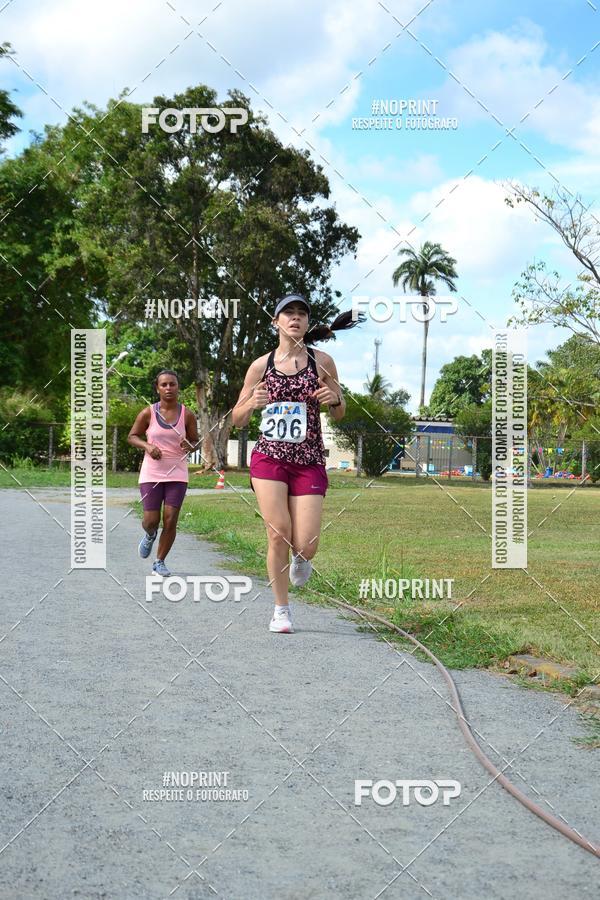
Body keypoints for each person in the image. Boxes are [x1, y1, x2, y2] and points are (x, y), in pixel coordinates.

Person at [232, 294, 364, 634]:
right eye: (287, 313)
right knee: (278, 533)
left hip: (308, 460)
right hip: (269, 459)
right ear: (276, 321)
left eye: (301, 314)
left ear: (307, 323)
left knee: (306, 543)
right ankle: (281, 609)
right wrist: (252, 404)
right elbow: (237, 419)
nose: (295, 318)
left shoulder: (322, 362)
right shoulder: (261, 366)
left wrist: (334, 399)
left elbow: (340, 410)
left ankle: (301, 558)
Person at [127, 369, 199, 577]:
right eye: (164, 384)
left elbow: (195, 441)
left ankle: (159, 562)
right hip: (152, 473)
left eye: (172, 384)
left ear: (178, 387)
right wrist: (147, 446)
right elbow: (132, 436)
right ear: (158, 388)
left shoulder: (188, 414)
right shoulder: (148, 412)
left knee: (170, 519)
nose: (169, 388)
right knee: (151, 520)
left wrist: (190, 445)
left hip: (177, 473)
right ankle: (150, 535)